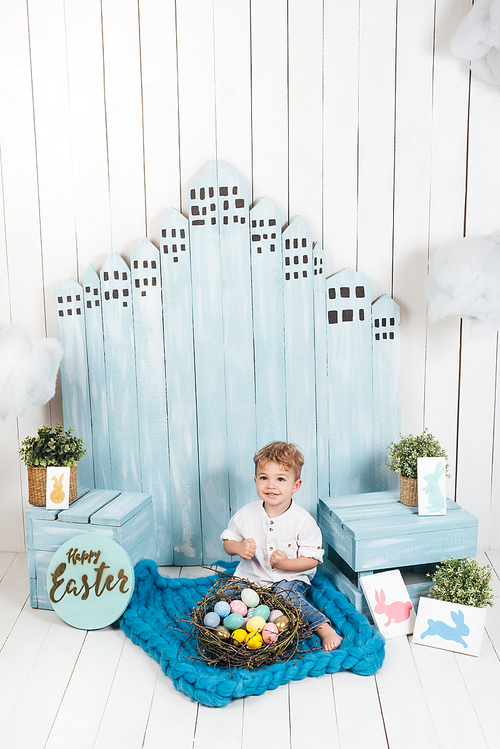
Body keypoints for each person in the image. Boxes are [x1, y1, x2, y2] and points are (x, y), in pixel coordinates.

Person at [221, 440, 342, 652]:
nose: (271, 485)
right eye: (264, 478)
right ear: (256, 480)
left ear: (295, 485)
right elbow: (228, 541)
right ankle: (242, 628)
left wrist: (287, 563)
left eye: (280, 479)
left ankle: (324, 628)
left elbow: (312, 559)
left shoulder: (303, 521)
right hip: (251, 576)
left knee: (289, 598)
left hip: (288, 579)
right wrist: (239, 548)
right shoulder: (247, 514)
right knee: (228, 598)